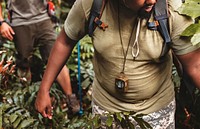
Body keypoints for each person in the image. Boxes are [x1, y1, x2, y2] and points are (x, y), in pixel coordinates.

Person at [35, 0, 200, 128]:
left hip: (156, 111)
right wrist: (44, 89)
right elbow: (64, 42)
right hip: (106, 108)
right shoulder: (93, 5)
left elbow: (195, 65)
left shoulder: (171, 9)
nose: (152, 1)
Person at [0, 0, 80, 114]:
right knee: (24, 62)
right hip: (19, 22)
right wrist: (2, 22)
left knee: (57, 58)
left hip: (43, 18)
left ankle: (70, 99)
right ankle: (24, 101)